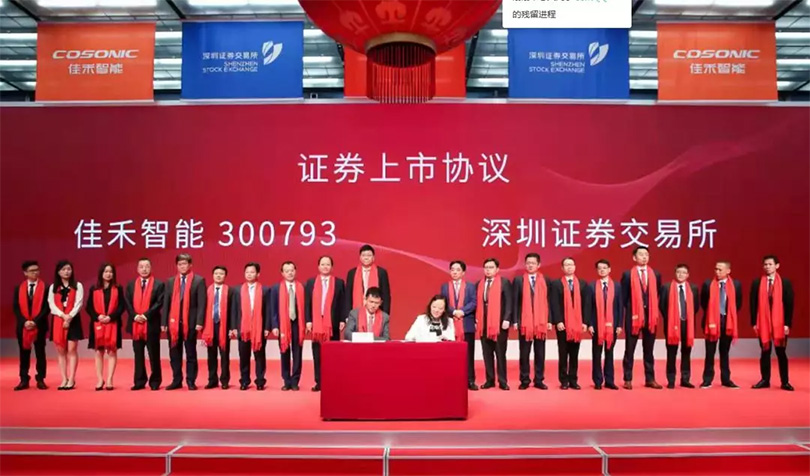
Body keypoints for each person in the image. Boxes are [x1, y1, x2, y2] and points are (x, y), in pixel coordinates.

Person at [161, 253, 207, 391]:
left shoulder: (198, 280)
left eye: (185, 264)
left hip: (191, 323)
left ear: (190, 265)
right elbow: (166, 303)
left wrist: (199, 322)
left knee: (190, 353)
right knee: (174, 354)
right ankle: (176, 380)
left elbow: (202, 304)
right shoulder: (170, 282)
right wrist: (164, 323)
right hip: (173, 324)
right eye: (180, 264)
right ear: (177, 266)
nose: (182, 266)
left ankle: (191, 381)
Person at [621, 246, 663, 390]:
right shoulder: (628, 275)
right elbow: (624, 298)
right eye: (641, 254)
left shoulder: (656, 274)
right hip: (633, 317)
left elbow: (656, 294)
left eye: (646, 254)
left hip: (650, 317)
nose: (644, 257)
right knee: (630, 349)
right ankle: (627, 379)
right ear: (634, 258)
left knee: (649, 350)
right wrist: (635, 310)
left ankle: (650, 379)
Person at [751, 255, 795, 391]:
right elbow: (753, 304)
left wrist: (787, 324)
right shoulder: (757, 283)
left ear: (777, 266)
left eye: (770, 264)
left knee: (781, 352)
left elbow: (789, 304)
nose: (767, 267)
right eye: (765, 264)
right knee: (765, 351)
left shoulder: (785, 283)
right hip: (763, 323)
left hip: (780, 324)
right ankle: (765, 380)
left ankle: (785, 382)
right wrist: (754, 323)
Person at [304, 256, 345, 392]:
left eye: (328, 264)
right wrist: (308, 320)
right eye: (322, 264)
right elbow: (307, 303)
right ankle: (319, 382)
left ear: (332, 267)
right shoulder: (311, 282)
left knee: (333, 354)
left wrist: (342, 319)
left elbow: (342, 303)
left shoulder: (339, 282)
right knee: (317, 355)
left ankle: (333, 381)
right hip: (316, 323)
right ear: (318, 266)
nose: (325, 267)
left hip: (332, 323)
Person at [550, 257, 591, 390]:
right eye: (566, 265)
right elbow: (554, 304)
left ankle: (573, 380)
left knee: (574, 354)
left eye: (571, 264)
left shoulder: (583, 284)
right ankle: (564, 380)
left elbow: (586, 304)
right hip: (563, 324)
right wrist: (558, 321)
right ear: (562, 268)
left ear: (575, 267)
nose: (569, 267)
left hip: (577, 324)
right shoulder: (557, 284)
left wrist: (585, 322)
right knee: (563, 353)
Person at [700, 260, 743, 389]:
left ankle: (726, 379)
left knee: (724, 352)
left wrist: (727, 316)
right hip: (711, 322)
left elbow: (738, 304)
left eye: (720, 270)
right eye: (716, 269)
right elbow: (704, 303)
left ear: (728, 271)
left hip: (727, 322)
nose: (717, 272)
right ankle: (707, 380)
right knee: (710, 352)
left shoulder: (736, 285)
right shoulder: (708, 284)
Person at [512, 253, 552, 390]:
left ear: (538, 265)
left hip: (541, 323)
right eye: (528, 263)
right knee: (524, 353)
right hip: (525, 323)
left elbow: (548, 302)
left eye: (533, 263)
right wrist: (515, 320)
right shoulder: (519, 280)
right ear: (525, 264)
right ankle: (524, 379)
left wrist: (549, 320)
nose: (530, 265)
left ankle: (539, 380)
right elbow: (515, 302)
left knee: (540, 353)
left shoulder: (546, 280)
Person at [124, 257, 164, 391]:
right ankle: (139, 381)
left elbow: (159, 303)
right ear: (137, 269)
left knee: (154, 354)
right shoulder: (131, 285)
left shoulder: (158, 284)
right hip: (135, 324)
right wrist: (135, 316)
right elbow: (128, 303)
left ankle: (155, 381)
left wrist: (145, 315)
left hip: (151, 324)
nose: (144, 269)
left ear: (151, 268)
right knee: (138, 355)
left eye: (147, 266)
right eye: (141, 266)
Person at [659, 264, 699, 389]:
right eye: (678, 272)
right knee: (671, 352)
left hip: (687, 324)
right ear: (675, 273)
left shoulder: (693, 288)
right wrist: (672, 319)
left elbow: (696, 307)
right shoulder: (666, 287)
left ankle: (685, 379)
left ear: (688, 275)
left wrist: (686, 318)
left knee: (686, 352)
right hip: (672, 324)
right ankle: (671, 379)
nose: (681, 274)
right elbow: (662, 306)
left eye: (684, 272)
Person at [86, 263, 125, 391]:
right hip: (97, 323)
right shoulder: (94, 289)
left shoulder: (118, 288)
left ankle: (109, 379)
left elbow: (121, 306)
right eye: (106, 271)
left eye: (111, 272)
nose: (108, 274)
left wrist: (111, 317)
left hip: (113, 323)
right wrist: (98, 316)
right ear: (101, 273)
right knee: (99, 351)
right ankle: (99, 379)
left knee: (112, 351)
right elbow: (89, 307)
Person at [440, 260, 478, 390]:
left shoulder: (470, 286)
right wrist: (453, 312)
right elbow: (443, 303)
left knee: (468, 354)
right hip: (450, 325)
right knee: (451, 355)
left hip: (466, 323)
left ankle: (470, 380)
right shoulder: (445, 287)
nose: (454, 272)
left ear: (463, 272)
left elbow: (473, 302)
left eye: (457, 270)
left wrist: (462, 311)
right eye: (452, 270)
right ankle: (452, 380)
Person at [12, 260, 49, 390]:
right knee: (24, 353)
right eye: (32, 271)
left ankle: (41, 379)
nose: (35, 273)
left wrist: (35, 322)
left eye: (37, 270)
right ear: (25, 273)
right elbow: (16, 308)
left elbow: (46, 308)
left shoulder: (46, 287)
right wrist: (24, 322)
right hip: (23, 326)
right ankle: (24, 379)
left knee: (40, 353)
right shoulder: (19, 288)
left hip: (39, 325)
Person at [476, 258, 512, 391]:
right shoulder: (479, 284)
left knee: (500, 353)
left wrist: (507, 318)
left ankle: (503, 381)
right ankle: (489, 380)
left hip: (499, 323)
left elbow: (509, 302)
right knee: (487, 353)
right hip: (484, 323)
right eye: (486, 267)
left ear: (497, 269)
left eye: (491, 267)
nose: (488, 270)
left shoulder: (504, 282)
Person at [270, 261, 307, 391]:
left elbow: (306, 307)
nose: (290, 273)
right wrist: (275, 325)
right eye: (287, 271)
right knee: (284, 351)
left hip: (298, 323)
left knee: (297, 352)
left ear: (295, 271)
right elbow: (273, 309)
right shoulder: (276, 289)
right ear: (282, 273)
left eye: (292, 270)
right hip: (282, 324)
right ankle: (286, 380)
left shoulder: (302, 287)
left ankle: (295, 380)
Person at [48, 260, 84, 390]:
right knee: (61, 350)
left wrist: (69, 316)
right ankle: (64, 378)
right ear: (58, 272)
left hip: (73, 319)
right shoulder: (53, 287)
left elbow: (79, 303)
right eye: (63, 269)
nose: (66, 272)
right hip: (58, 319)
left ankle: (72, 378)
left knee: (72, 349)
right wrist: (63, 315)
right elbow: (51, 304)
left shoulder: (78, 285)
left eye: (69, 269)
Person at [233, 263, 268, 391]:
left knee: (260, 356)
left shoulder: (265, 290)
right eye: (247, 272)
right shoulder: (237, 290)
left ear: (258, 274)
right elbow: (234, 310)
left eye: (252, 272)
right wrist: (234, 327)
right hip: (243, 328)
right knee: (244, 356)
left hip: (259, 328)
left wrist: (267, 327)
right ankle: (244, 380)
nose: (249, 274)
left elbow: (267, 310)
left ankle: (260, 381)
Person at [589, 259, 623, 390]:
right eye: (599, 268)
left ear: (609, 269)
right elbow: (589, 307)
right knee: (596, 354)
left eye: (604, 268)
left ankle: (609, 380)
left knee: (610, 353)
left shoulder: (617, 286)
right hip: (596, 325)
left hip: (612, 325)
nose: (602, 270)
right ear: (597, 271)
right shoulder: (592, 286)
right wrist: (590, 324)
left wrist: (619, 324)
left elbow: (620, 306)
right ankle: (597, 381)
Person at [201, 265, 235, 390]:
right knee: (211, 355)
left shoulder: (230, 291)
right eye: (216, 273)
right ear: (213, 275)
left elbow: (233, 311)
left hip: (224, 326)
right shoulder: (206, 290)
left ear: (225, 276)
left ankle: (225, 380)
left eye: (221, 273)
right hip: (210, 326)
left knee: (224, 355)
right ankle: (212, 380)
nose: (218, 275)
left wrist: (232, 327)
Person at [345, 244, 391, 321]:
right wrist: (347, 315)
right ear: (360, 257)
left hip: (377, 312)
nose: (366, 258)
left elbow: (386, 295)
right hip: (357, 313)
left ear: (373, 258)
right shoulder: (352, 273)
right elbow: (348, 296)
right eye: (363, 255)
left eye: (369, 255)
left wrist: (385, 314)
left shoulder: (381, 272)